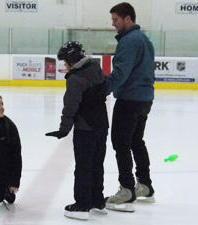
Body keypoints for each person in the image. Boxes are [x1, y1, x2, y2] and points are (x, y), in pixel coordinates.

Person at [45, 41, 109, 220]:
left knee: (83, 166)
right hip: (102, 125)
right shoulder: (96, 69)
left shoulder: (75, 79)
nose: (65, 65)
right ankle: (97, 201)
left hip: (85, 128)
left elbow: (70, 107)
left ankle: (81, 205)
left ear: (72, 59)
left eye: (65, 61)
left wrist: (63, 129)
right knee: (97, 164)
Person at [104, 2, 156, 212]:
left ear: (128, 18)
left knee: (121, 142)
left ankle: (127, 189)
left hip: (130, 99)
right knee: (136, 140)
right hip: (144, 99)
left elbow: (120, 73)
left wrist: (101, 90)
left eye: (116, 20)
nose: (114, 24)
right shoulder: (144, 39)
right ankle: (144, 185)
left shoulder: (128, 41)